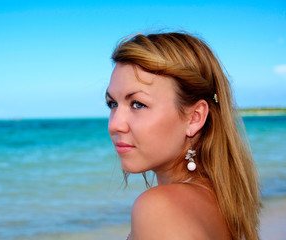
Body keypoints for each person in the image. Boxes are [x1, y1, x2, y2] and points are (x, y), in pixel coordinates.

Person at [106, 32, 261, 240]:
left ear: (195, 118)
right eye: (112, 104)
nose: (115, 124)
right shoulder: (223, 203)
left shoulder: (159, 208)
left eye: (138, 104)